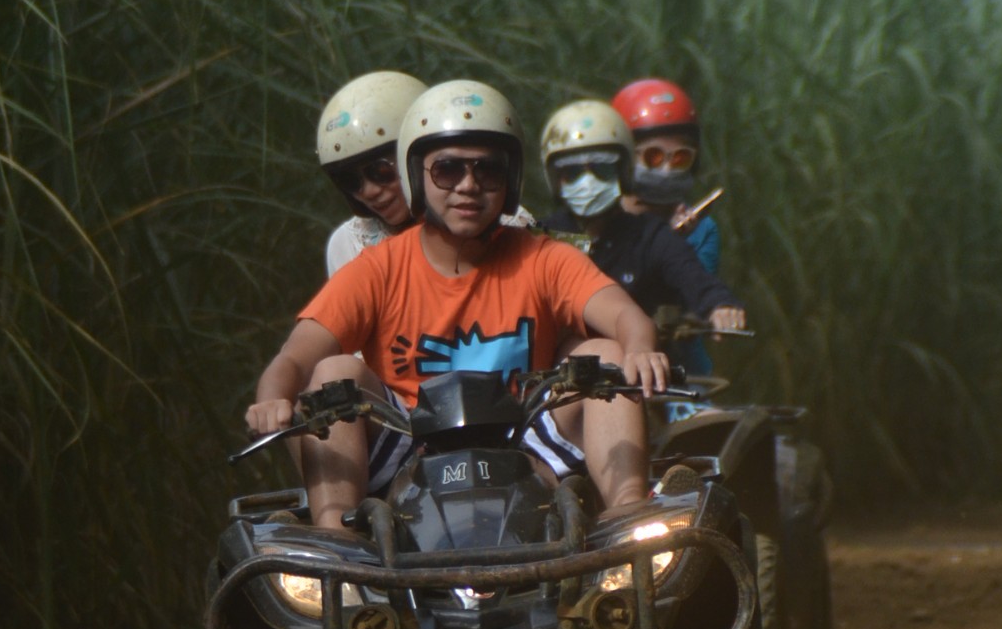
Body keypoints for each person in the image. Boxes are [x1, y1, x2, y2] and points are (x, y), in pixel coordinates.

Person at [248, 81, 670, 530]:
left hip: (523, 444)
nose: (468, 186)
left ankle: (628, 520)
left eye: (488, 171)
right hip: (411, 448)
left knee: (605, 355)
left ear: (510, 181)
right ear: (416, 175)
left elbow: (626, 316)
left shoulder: (545, 256)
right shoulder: (377, 268)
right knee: (333, 374)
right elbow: (295, 355)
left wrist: (640, 347)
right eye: (447, 170)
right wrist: (271, 399)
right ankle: (337, 540)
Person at [538, 100, 746, 352]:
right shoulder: (539, 238)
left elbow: (693, 277)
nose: (588, 182)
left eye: (602, 169)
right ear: (555, 179)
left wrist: (720, 306)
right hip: (550, 379)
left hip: (641, 375)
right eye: (572, 173)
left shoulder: (651, 236)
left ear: (623, 172)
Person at [317, 71, 428, 277]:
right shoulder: (349, 244)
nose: (369, 191)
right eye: (350, 181)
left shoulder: (483, 215)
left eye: (381, 171)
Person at [610, 77, 718, 269]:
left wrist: (674, 245)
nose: (667, 170)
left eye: (680, 158)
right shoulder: (594, 221)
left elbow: (700, 294)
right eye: (653, 157)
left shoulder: (700, 230)